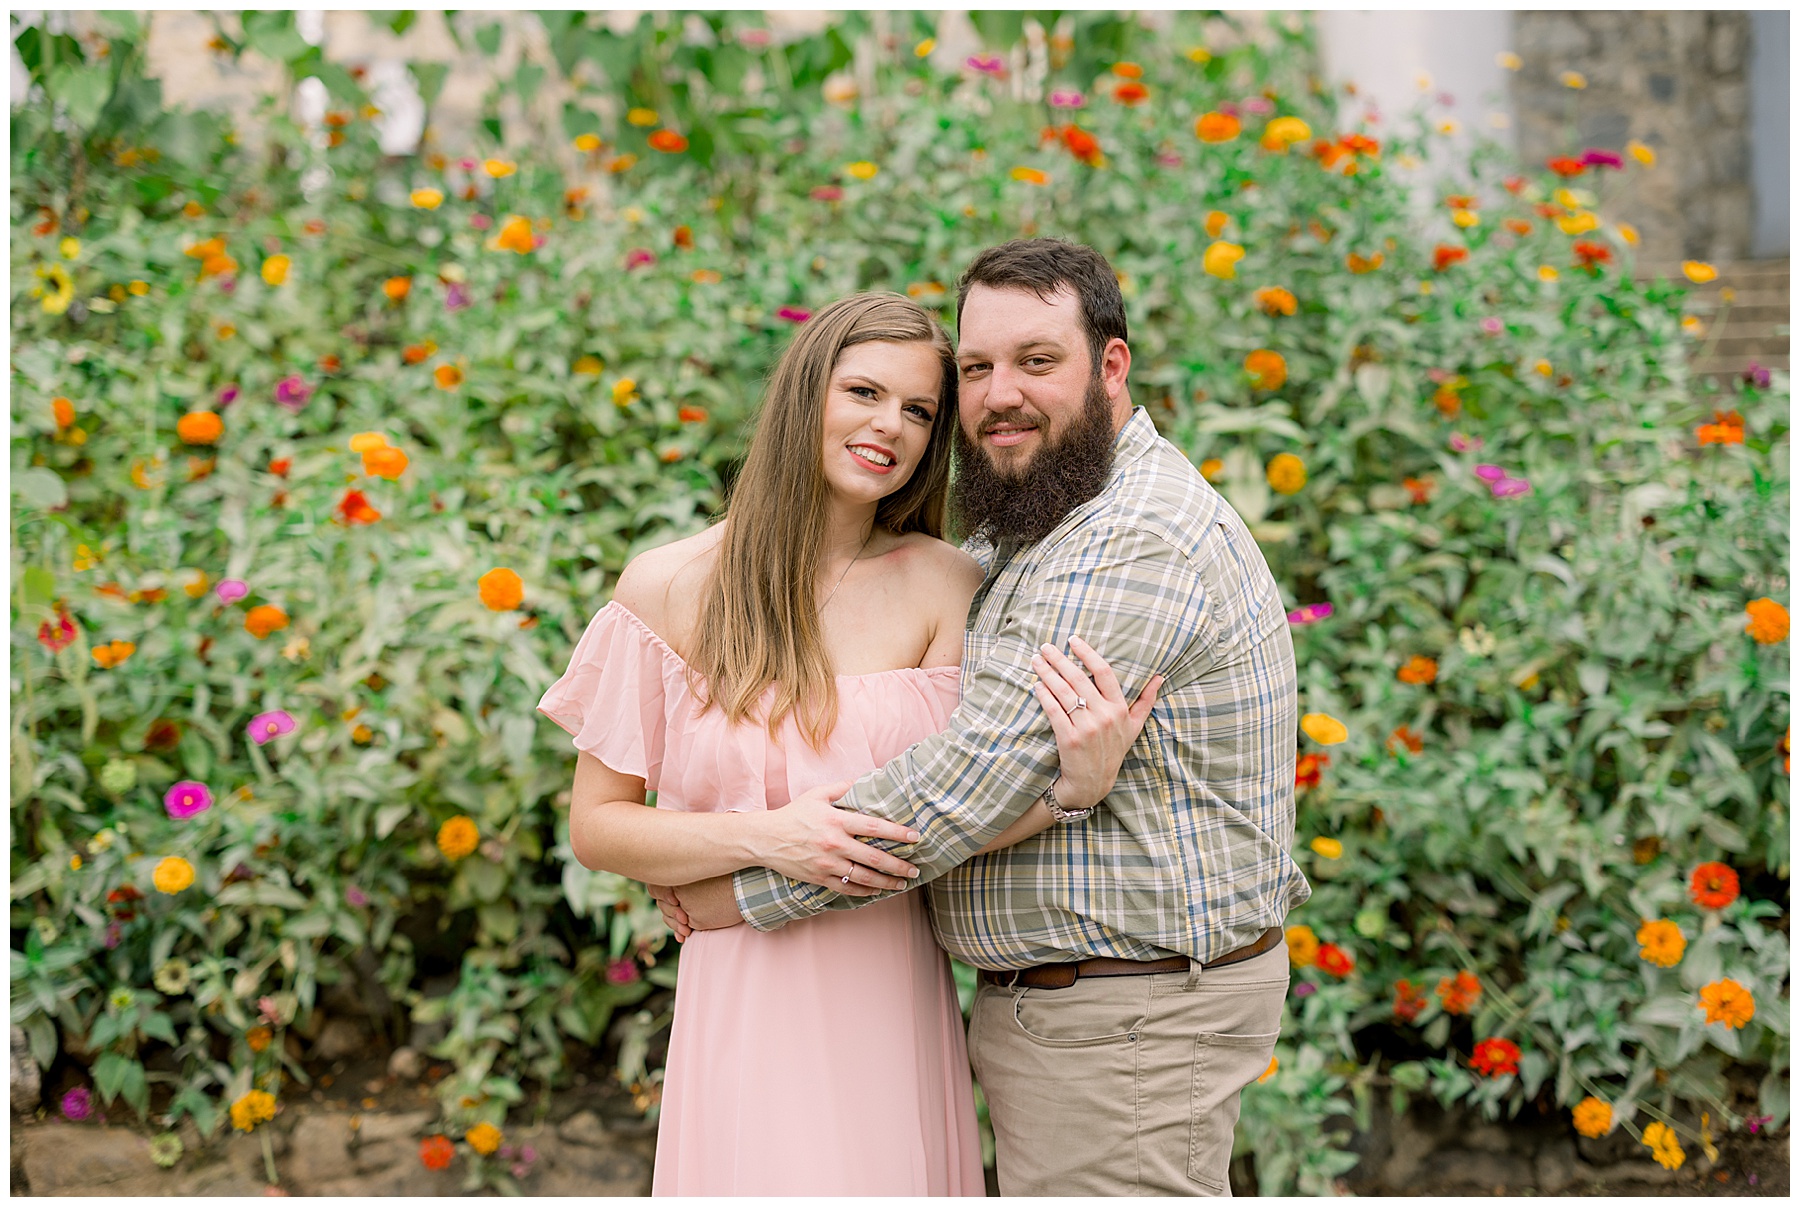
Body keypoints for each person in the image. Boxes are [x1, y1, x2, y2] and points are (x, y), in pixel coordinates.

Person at [666, 238, 1312, 1196]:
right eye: (975, 369)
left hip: (1127, 1016)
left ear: (1112, 365)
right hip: (1074, 1010)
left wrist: (741, 893)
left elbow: (966, 781)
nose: (999, 394)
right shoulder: (1044, 520)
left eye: (1036, 361)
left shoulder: (1131, 536)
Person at [536, 291, 1158, 1196]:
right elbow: (598, 827)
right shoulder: (669, 586)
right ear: (806, 395)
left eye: (919, 411)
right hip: (744, 997)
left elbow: (960, 811)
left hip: (890, 995)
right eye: (864, 392)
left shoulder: (947, 584)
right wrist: (766, 836)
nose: (889, 427)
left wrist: (1072, 790)